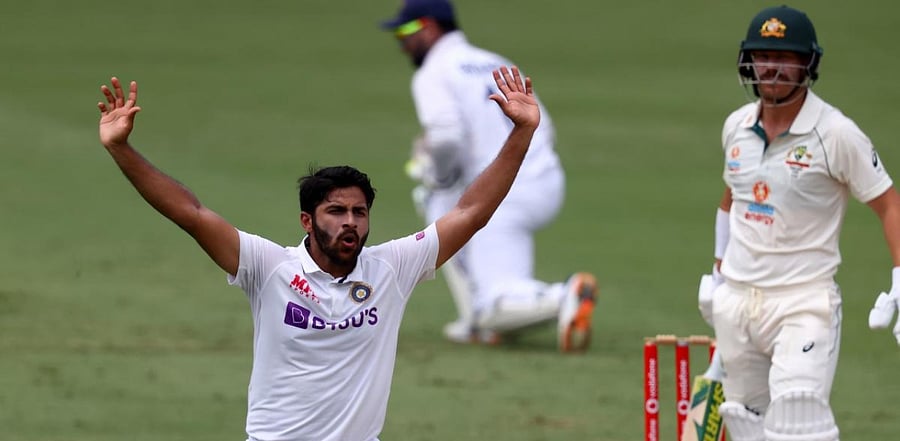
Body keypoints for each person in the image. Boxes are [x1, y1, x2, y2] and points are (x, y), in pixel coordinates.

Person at [96, 66, 543, 441]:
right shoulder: (268, 268)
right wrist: (122, 148)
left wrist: (521, 132)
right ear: (307, 221)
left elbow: (470, 212)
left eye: (359, 212)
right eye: (335, 211)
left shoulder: (392, 268)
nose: (350, 222)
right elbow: (191, 213)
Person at [697, 5, 900, 441]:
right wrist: (717, 272)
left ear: (807, 63)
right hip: (737, 302)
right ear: (747, 61)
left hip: (804, 302)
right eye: (762, 57)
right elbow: (732, 200)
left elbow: (889, 204)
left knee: (797, 422)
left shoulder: (835, 133)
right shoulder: (736, 126)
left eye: (785, 57)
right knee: (746, 422)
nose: (771, 68)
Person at [379, 0, 597, 352]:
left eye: (406, 32)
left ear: (430, 27)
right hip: (543, 178)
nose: (401, 42)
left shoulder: (434, 71)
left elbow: (447, 136)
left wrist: (440, 175)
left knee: (445, 210)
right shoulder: (494, 61)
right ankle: (475, 322)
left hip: (504, 189)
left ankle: (563, 297)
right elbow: (544, 123)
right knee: (441, 208)